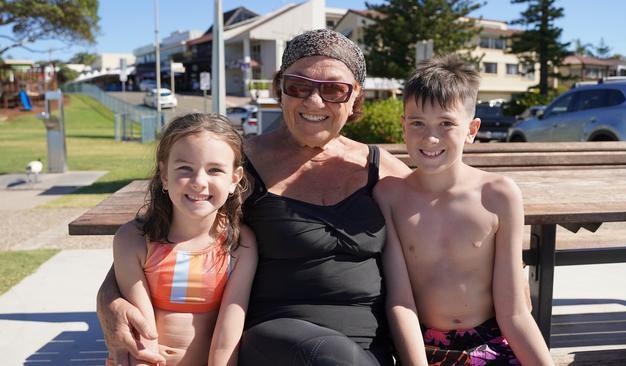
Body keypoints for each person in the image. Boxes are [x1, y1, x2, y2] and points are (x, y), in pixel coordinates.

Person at [96, 29, 411, 365]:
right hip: (278, 342)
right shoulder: (235, 165)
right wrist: (110, 305)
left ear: (355, 98)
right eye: (299, 86)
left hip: (367, 351)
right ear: (279, 89)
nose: (314, 101)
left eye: (334, 89)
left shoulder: (384, 171)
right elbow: (152, 241)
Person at [375, 55, 554, 365]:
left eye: (446, 123)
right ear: (403, 126)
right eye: (417, 122)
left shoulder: (498, 195)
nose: (430, 137)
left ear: (471, 129)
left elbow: (513, 311)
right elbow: (401, 303)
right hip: (420, 343)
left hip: (491, 341)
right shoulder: (390, 196)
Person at [108, 113, 257, 365]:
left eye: (215, 170)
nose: (199, 181)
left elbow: (226, 337)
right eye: (185, 168)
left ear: (235, 178)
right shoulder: (133, 241)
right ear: (164, 174)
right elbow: (144, 332)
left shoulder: (240, 245)